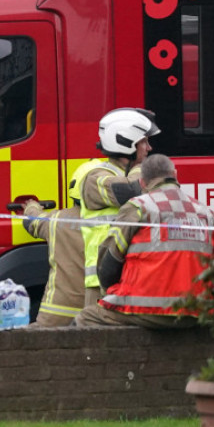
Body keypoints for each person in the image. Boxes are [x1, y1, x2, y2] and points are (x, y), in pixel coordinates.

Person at [74, 154, 214, 329]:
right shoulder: (205, 212)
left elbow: (108, 263)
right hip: (198, 311)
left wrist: (110, 292)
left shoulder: (138, 207)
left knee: (86, 317)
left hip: (149, 309)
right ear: (176, 175)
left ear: (142, 183)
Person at [75, 108, 158, 307]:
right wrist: (143, 168)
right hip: (102, 282)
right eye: (143, 142)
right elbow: (130, 192)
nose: (149, 148)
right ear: (124, 142)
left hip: (133, 277)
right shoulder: (95, 178)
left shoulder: (132, 174)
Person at [21, 167, 86, 327]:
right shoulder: (116, 220)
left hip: (57, 311)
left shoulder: (57, 220)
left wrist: (31, 206)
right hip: (97, 310)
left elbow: (32, 221)